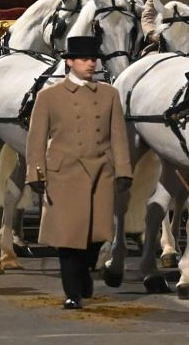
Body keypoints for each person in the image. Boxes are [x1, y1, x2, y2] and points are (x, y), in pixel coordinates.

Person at [26, 36, 133, 309]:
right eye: (84, 59)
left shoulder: (109, 94)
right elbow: (36, 139)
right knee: (68, 237)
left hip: (101, 172)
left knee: (97, 235)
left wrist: (123, 170)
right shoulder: (48, 96)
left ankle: (84, 271)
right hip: (64, 173)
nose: (90, 63)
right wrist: (35, 174)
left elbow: (119, 136)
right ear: (69, 62)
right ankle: (72, 292)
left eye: (93, 59)